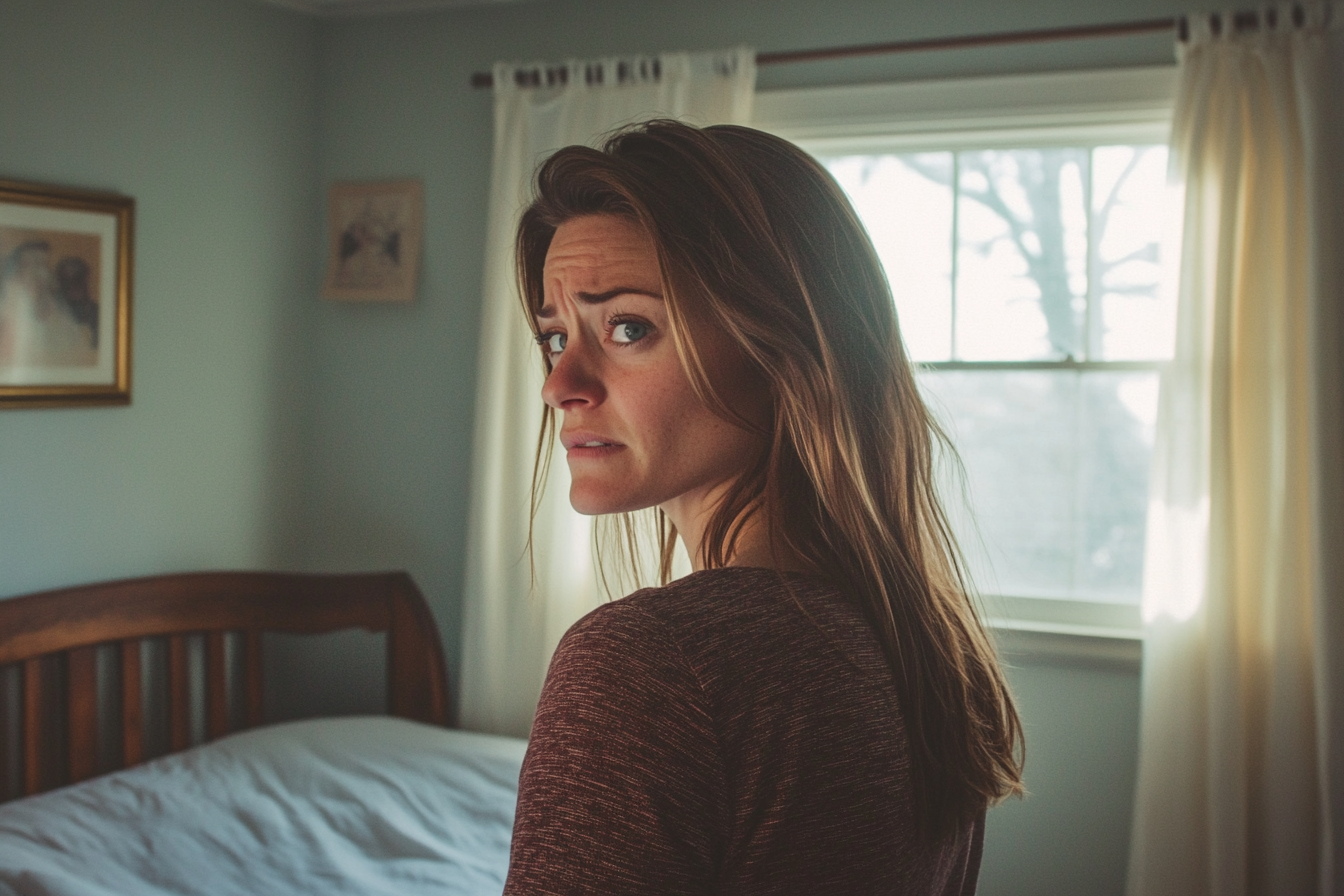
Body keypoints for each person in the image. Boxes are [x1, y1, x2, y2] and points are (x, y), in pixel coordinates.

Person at [503, 119, 1024, 895]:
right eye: (554, 337)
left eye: (627, 327)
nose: (560, 384)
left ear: (781, 347)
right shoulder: (918, 642)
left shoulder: (655, 666)